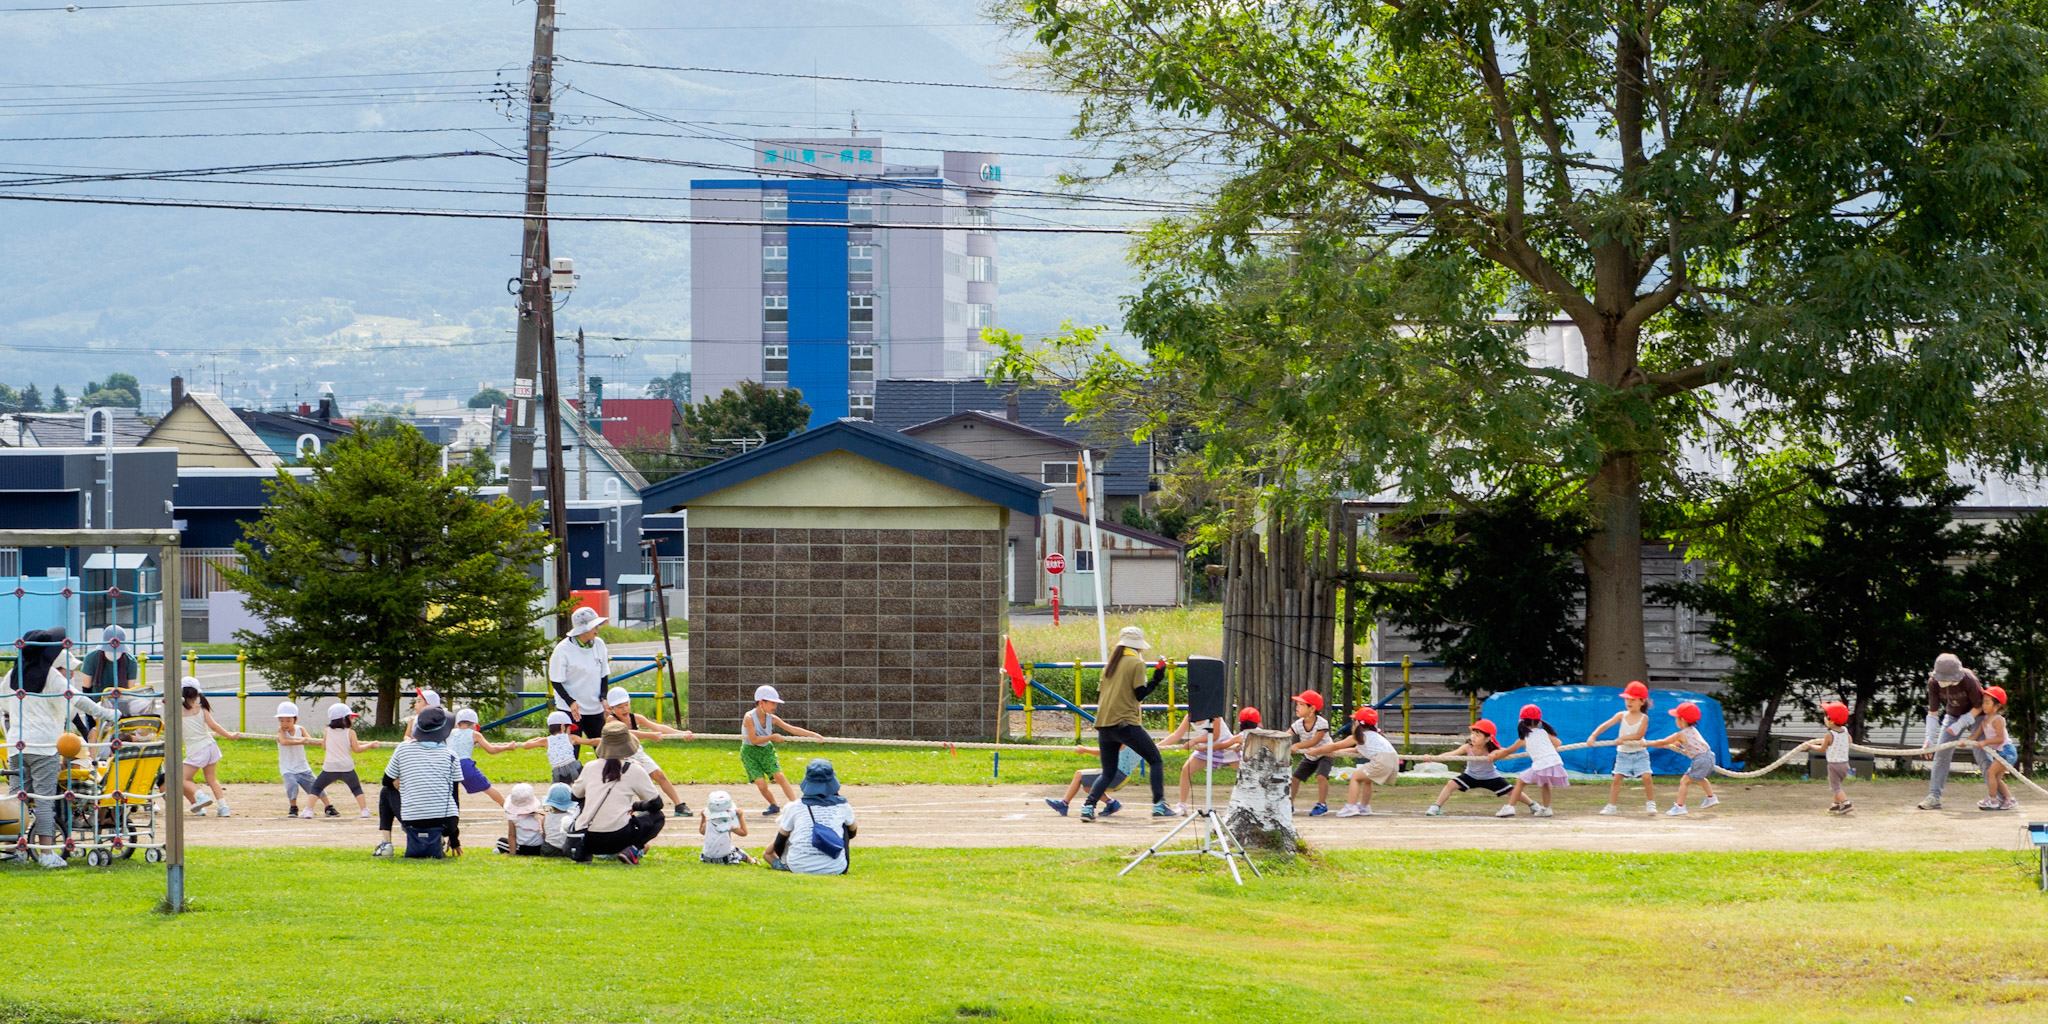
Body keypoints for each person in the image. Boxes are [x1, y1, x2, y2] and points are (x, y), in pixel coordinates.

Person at [6, 628, 119, 868]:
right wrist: (109, 713)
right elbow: (78, 699)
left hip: (17, 746)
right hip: (45, 746)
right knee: (45, 799)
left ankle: (14, 850)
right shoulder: (50, 675)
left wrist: (10, 732)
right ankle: (46, 853)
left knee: (18, 799)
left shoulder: (13, 675)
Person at [1077, 626, 1172, 821]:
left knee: (1108, 771)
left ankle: (1088, 807)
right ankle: (1159, 804)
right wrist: (1157, 678)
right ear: (1137, 647)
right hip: (1126, 723)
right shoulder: (1136, 664)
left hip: (1104, 725)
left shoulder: (1109, 666)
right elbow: (1140, 695)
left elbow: (1098, 696)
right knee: (1155, 759)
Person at [373, 707, 463, 858]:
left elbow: (387, 781)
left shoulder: (403, 749)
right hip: (446, 821)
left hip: (413, 820)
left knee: (386, 792)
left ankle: (386, 844)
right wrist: (454, 839)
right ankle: (438, 838)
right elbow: (454, 797)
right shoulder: (451, 755)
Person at [571, 721, 665, 865]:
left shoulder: (590, 767)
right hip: (619, 838)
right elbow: (657, 803)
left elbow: (575, 795)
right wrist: (635, 806)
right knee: (658, 817)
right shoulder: (634, 770)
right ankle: (632, 849)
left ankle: (584, 852)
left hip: (588, 838)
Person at [600, 686, 695, 817]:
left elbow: (657, 727)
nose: (625, 709)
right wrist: (650, 735)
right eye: (620, 707)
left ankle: (679, 805)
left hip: (636, 751)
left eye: (626, 705)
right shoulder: (611, 720)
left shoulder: (636, 718)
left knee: (659, 774)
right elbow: (625, 732)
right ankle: (640, 805)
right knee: (632, 779)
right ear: (612, 709)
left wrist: (681, 733)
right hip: (619, 755)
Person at [1919, 653, 1987, 810]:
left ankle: (1997, 796)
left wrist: (1963, 722)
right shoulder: (1933, 683)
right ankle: (1934, 796)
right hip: (1952, 715)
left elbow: (1980, 705)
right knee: (1941, 753)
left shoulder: (1969, 679)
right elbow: (1933, 712)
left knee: (1981, 753)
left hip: (1976, 715)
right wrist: (1929, 738)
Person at [741, 685, 822, 814]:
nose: (775, 706)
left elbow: (792, 729)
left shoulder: (771, 718)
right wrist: (772, 737)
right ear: (761, 702)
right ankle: (774, 804)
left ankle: (795, 805)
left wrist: (813, 734)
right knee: (761, 783)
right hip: (749, 752)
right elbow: (753, 740)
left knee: (779, 776)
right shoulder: (749, 717)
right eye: (772, 702)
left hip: (766, 750)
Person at [767, 759, 857, 875]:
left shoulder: (794, 806)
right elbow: (852, 833)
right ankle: (837, 863)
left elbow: (780, 842)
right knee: (844, 826)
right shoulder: (843, 806)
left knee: (788, 827)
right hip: (835, 868)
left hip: (797, 867)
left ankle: (784, 864)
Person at [1306, 707, 1399, 817]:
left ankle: (1351, 806)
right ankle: (1364, 807)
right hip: (1393, 760)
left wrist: (1316, 751)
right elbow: (1354, 750)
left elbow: (1336, 745)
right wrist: (1334, 752)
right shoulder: (1374, 736)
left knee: (1355, 777)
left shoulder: (1358, 737)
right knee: (1366, 780)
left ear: (1357, 724)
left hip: (1382, 760)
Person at [1166, 706, 1256, 814]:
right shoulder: (1189, 716)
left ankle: (1253, 801)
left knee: (1246, 773)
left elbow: (1215, 736)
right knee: (1186, 769)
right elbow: (1176, 735)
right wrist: (1155, 746)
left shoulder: (1214, 715)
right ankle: (1182, 805)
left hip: (1225, 746)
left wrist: (1194, 741)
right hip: (1206, 748)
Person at [1587, 681, 1659, 815]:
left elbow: (1639, 735)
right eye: (1627, 699)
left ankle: (1650, 803)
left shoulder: (1644, 718)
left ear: (1642, 701)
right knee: (1617, 778)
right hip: (1623, 754)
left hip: (1639, 753)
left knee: (1647, 777)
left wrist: (1623, 739)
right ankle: (1611, 806)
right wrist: (1593, 736)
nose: (1629, 702)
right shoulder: (1621, 715)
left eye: (1633, 699)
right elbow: (1606, 725)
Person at [548, 606, 613, 750]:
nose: (597, 629)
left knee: (605, 751)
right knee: (571, 752)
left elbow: (603, 674)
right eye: (594, 626)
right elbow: (556, 680)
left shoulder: (600, 644)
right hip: (570, 711)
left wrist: (603, 697)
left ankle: (608, 773)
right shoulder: (562, 650)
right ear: (583, 629)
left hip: (594, 709)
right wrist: (570, 702)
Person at [180, 679, 242, 818]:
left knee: (181, 778)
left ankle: (200, 796)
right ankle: (223, 807)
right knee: (212, 780)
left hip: (197, 749)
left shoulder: (178, 710)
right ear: (196, 694)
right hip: (210, 746)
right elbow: (214, 726)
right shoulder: (202, 708)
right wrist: (229, 736)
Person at [1421, 721, 1511, 816]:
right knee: (1451, 784)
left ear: (1488, 738)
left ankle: (1529, 804)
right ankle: (1436, 806)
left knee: (1512, 791)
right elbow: (1450, 755)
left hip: (1491, 777)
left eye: (1478, 735)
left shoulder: (1492, 749)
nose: (1473, 737)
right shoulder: (1468, 747)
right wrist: (1432, 759)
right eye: (1472, 734)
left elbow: (1508, 751)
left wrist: (1495, 753)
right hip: (1470, 775)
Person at [1647, 701, 1720, 815]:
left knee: (1685, 781)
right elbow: (1679, 742)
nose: (1676, 720)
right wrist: (1672, 745)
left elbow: (1663, 742)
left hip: (1701, 759)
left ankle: (1680, 806)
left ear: (1683, 720)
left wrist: (1646, 743)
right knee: (1700, 778)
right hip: (1709, 756)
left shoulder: (1681, 734)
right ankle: (1711, 797)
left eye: (1677, 718)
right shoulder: (1692, 731)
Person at [308, 702, 379, 818]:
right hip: (346, 767)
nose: (352, 720)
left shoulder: (327, 731)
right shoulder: (350, 733)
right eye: (350, 717)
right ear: (343, 719)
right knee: (356, 788)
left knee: (316, 787)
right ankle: (364, 810)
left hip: (329, 767)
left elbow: (324, 746)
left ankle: (309, 810)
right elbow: (357, 749)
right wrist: (370, 745)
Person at [1496, 704, 1566, 818]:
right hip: (1555, 762)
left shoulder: (1523, 739)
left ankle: (1510, 807)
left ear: (1522, 722)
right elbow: (1558, 743)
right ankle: (1546, 808)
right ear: (1539, 722)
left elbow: (1508, 751)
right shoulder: (1544, 733)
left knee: (1520, 781)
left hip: (1542, 764)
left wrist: (1494, 758)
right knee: (1544, 784)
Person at [1044, 744, 1143, 817]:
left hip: (1114, 775)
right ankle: (1111, 803)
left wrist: (1085, 749)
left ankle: (1064, 804)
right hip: (1123, 778)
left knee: (1079, 774)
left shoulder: (1123, 741)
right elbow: (1154, 746)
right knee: (1088, 786)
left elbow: (1103, 751)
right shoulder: (1138, 744)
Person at [75, 624, 136, 738]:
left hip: (121, 707)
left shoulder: (130, 662)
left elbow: (130, 692)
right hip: (96, 707)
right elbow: (86, 689)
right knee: (96, 738)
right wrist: (90, 715)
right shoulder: (91, 659)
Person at [1797, 701, 1855, 814]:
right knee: (1836, 786)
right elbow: (1850, 740)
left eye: (1825, 716)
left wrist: (1810, 746)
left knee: (1836, 788)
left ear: (1831, 721)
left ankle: (1847, 804)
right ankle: (1835, 805)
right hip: (1845, 765)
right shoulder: (1845, 730)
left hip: (1834, 765)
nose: (1824, 718)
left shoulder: (1829, 735)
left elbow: (1822, 749)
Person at [448, 708, 510, 808]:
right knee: (488, 788)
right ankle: (506, 806)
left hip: (448, 765)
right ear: (474, 724)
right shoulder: (474, 734)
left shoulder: (449, 733)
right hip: (465, 766)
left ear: (457, 723)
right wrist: (507, 747)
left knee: (450, 794)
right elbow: (491, 750)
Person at [273, 702, 326, 819]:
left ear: (295, 719)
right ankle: (293, 807)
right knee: (291, 785)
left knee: (315, 785)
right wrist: (301, 741)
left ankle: (328, 806)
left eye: (288, 720)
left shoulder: (300, 729)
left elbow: (310, 741)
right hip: (287, 767)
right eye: (281, 720)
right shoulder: (281, 731)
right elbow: (284, 742)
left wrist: (322, 742)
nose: (284, 724)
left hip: (302, 766)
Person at [1286, 689, 1334, 816]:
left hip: (1325, 753)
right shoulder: (1298, 724)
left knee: (1321, 776)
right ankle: (1288, 803)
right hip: (1310, 756)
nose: (1297, 707)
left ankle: (1322, 804)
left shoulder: (1321, 723)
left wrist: (1297, 745)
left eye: (1301, 705)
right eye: (1298, 704)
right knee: (1295, 778)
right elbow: (1286, 735)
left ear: (1312, 709)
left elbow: (1314, 741)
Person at [1973, 687, 2018, 811]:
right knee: (1996, 778)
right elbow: (1975, 735)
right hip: (2000, 752)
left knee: (1990, 772)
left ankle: (1992, 799)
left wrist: (1985, 742)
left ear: (1997, 705)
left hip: (2007, 751)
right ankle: (2010, 799)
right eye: (1983, 702)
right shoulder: (1984, 721)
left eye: (1987, 702)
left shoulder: (1998, 720)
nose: (1984, 705)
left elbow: (2000, 738)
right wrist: (1963, 742)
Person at [518, 710, 586, 786]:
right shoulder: (571, 738)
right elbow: (590, 741)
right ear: (563, 727)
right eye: (569, 729)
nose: (570, 731)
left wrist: (538, 738)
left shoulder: (546, 741)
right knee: (584, 782)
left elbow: (526, 745)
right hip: (573, 766)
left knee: (557, 789)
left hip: (557, 771)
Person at [698, 790, 754, 865]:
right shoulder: (729, 825)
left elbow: (701, 831)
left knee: (729, 848)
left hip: (706, 858)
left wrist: (703, 817)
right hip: (724, 859)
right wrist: (740, 817)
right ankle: (753, 861)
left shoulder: (708, 824)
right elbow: (744, 833)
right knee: (738, 851)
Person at [497, 782, 547, 855]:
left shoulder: (513, 817)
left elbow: (512, 836)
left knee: (500, 842)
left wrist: (512, 853)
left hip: (522, 849)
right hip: (539, 849)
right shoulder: (541, 817)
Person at [541, 782, 577, 855]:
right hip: (569, 848)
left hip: (550, 849)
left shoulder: (546, 817)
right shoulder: (573, 817)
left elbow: (544, 835)